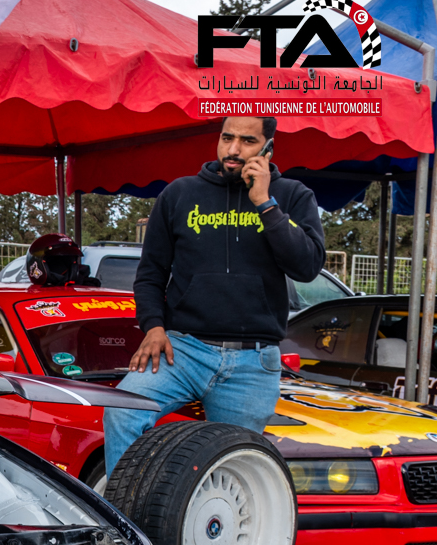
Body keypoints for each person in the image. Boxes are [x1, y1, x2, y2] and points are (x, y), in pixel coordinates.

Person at [103, 116, 325, 475]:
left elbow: (307, 266)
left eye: (248, 141)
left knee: (233, 467)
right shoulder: (179, 194)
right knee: (122, 410)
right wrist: (153, 326)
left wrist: (265, 202)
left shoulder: (293, 196)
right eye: (227, 138)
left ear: (268, 148)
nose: (233, 149)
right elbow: (150, 273)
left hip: (253, 361)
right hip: (183, 350)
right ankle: (122, 508)